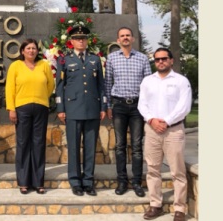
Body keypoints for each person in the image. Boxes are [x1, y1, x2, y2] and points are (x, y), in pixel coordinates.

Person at [137, 48, 192, 221]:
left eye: (164, 59)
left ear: (171, 60)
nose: (160, 62)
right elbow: (142, 104)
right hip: (152, 130)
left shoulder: (181, 81)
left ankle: (179, 209)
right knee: (153, 169)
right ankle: (155, 205)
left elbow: (184, 106)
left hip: (173, 131)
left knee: (177, 171)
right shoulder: (147, 81)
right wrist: (152, 120)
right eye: (157, 59)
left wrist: (166, 121)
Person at [55, 25, 106, 197]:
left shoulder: (95, 59)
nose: (81, 41)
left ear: (87, 41)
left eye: (83, 38)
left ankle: (88, 181)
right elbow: (59, 87)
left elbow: (101, 86)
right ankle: (75, 181)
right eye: (77, 38)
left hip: (92, 109)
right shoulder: (64, 60)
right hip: (72, 110)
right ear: (71, 41)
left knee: (90, 147)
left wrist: (103, 106)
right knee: (74, 147)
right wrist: (60, 108)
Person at [104, 27, 150, 197]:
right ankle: (122, 181)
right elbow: (107, 84)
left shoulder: (143, 58)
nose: (125, 38)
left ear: (133, 39)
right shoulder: (111, 58)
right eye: (122, 35)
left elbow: (148, 86)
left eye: (128, 35)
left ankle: (137, 182)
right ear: (118, 40)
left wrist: (147, 109)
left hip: (138, 107)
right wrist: (108, 106)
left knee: (137, 146)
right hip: (119, 106)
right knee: (120, 145)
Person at [5, 38, 55, 195]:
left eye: (34, 48)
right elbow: (10, 88)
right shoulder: (16, 66)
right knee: (23, 143)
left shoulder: (44, 65)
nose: (31, 51)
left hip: (41, 108)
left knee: (39, 144)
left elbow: (50, 85)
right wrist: (11, 109)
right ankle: (24, 181)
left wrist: (41, 98)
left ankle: (38, 181)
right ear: (22, 51)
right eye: (28, 49)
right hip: (22, 109)